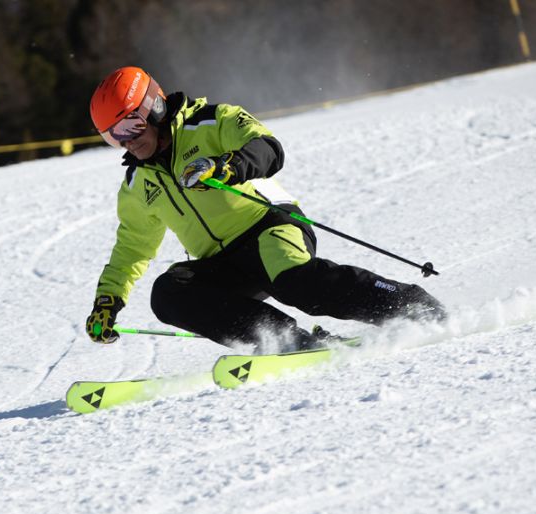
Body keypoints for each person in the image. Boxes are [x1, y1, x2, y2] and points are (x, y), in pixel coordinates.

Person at [84, 66, 446, 351]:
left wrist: (226, 165)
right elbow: (132, 249)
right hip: (223, 262)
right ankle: (288, 341)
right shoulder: (137, 186)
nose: (127, 142)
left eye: (131, 125)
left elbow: (268, 149)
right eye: (113, 136)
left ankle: (408, 303)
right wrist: (108, 300)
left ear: (154, 107)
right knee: (168, 294)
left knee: (294, 282)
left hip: (270, 226)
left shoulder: (212, 122)